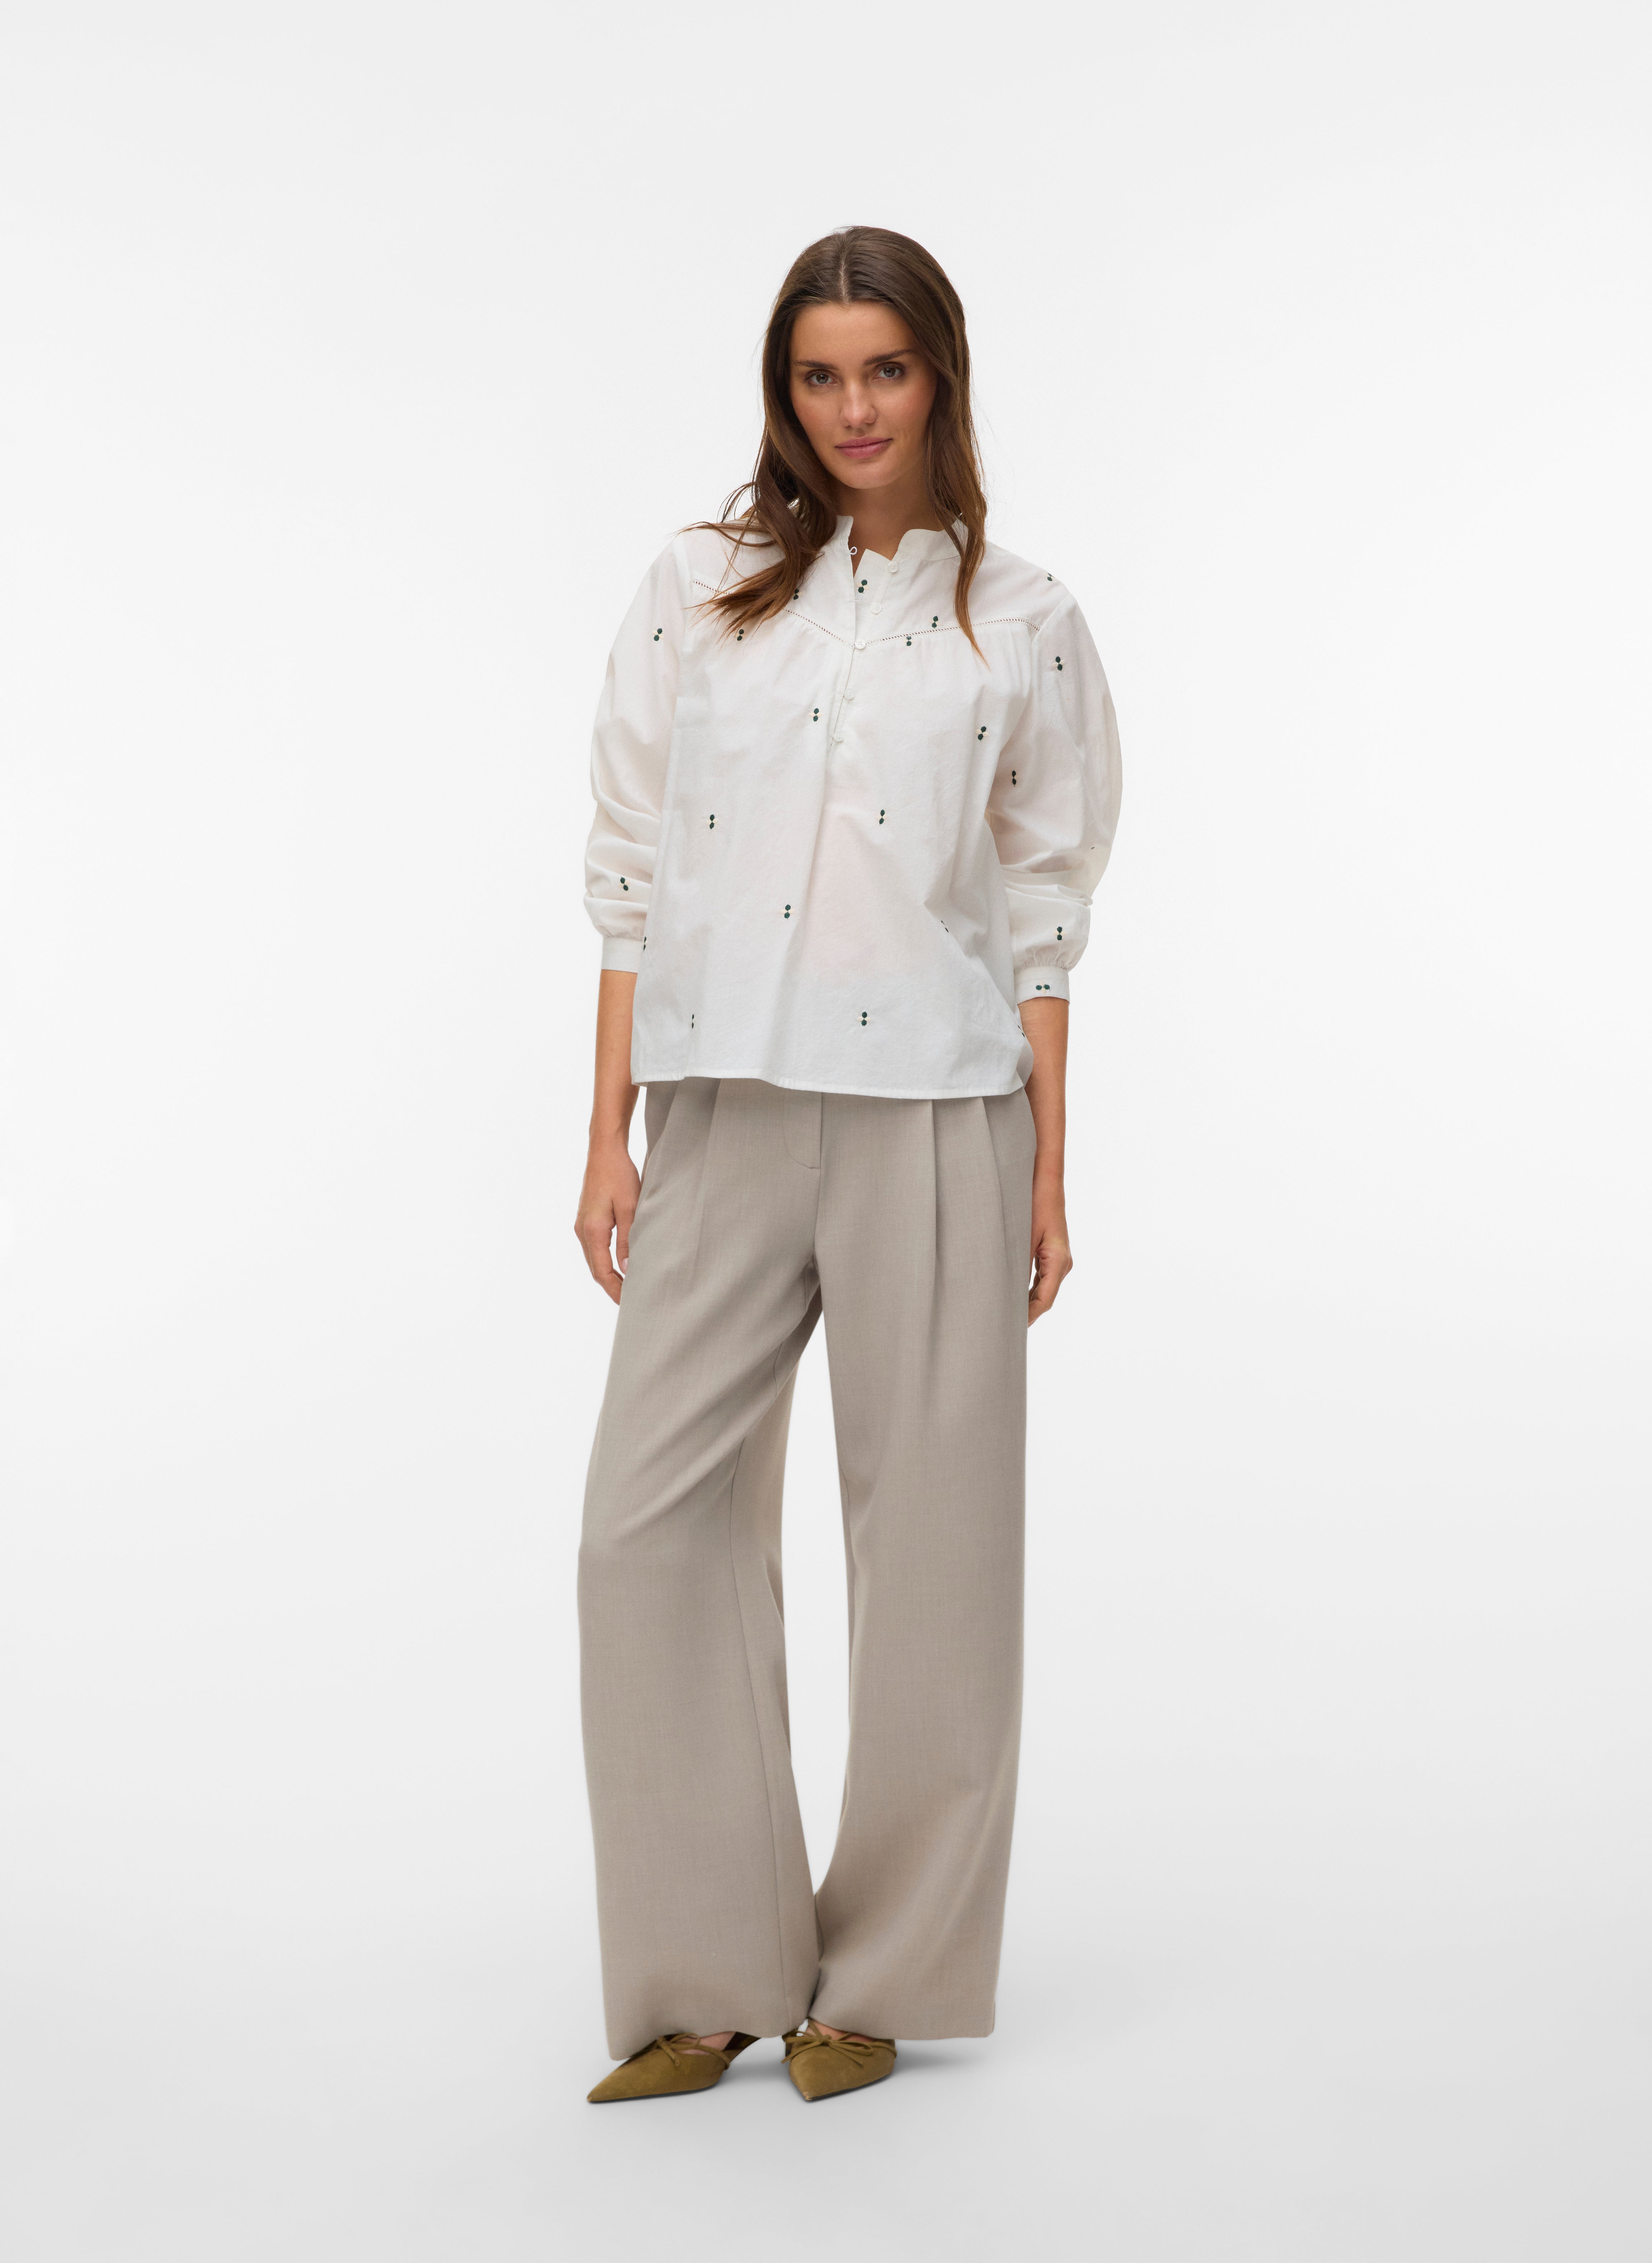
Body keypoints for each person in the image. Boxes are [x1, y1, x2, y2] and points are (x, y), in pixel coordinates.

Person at [573, 225, 1121, 2105]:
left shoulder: (1023, 621)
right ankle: (703, 1969)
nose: (853, 408)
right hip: (722, 1107)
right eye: (819, 375)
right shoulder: (700, 583)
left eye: (884, 370)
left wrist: (1050, 1164)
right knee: (643, 1529)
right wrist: (606, 1127)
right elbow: (630, 861)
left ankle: (879, 1977)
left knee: (939, 1550)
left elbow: (1043, 904)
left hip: (940, 1114)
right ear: (782, 390)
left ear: (940, 376)